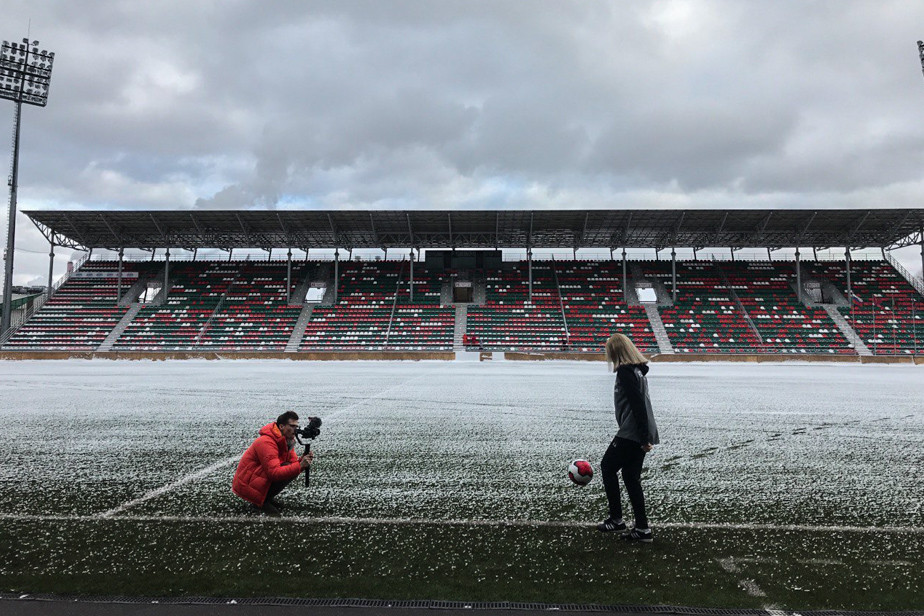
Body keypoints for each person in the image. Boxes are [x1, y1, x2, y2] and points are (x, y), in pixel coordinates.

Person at [597, 333, 659, 542]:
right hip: (639, 429)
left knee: (607, 466)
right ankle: (642, 529)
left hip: (632, 431)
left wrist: (643, 437)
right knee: (631, 477)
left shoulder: (625, 371)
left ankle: (616, 519)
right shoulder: (637, 371)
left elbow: (637, 403)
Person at [232, 411, 314, 516]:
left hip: (255, 479)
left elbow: (293, 464)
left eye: (297, 426)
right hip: (246, 485)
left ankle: (266, 497)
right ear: (281, 426)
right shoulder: (266, 442)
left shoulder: (286, 440)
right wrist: (300, 465)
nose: (296, 430)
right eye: (292, 426)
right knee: (285, 468)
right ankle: (259, 502)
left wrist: (302, 461)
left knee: (290, 468)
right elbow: (274, 473)